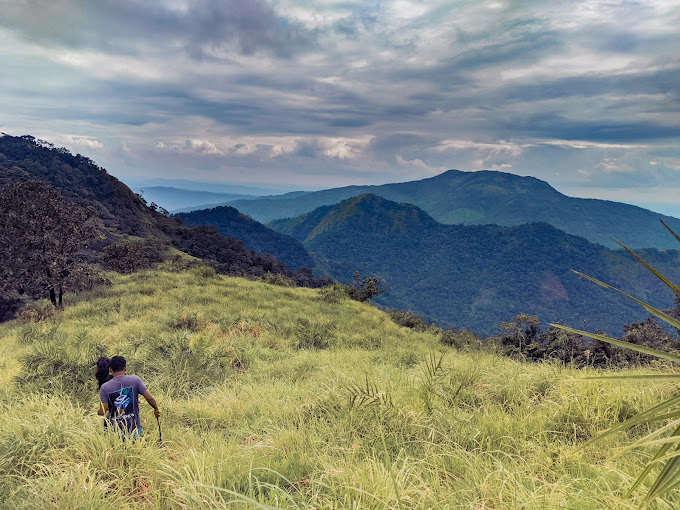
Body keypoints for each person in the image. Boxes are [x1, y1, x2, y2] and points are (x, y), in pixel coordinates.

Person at [99, 355, 161, 438]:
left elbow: (102, 412)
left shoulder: (105, 387)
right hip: (134, 429)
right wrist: (156, 409)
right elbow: (150, 398)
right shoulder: (135, 380)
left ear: (110, 369)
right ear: (125, 368)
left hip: (115, 432)